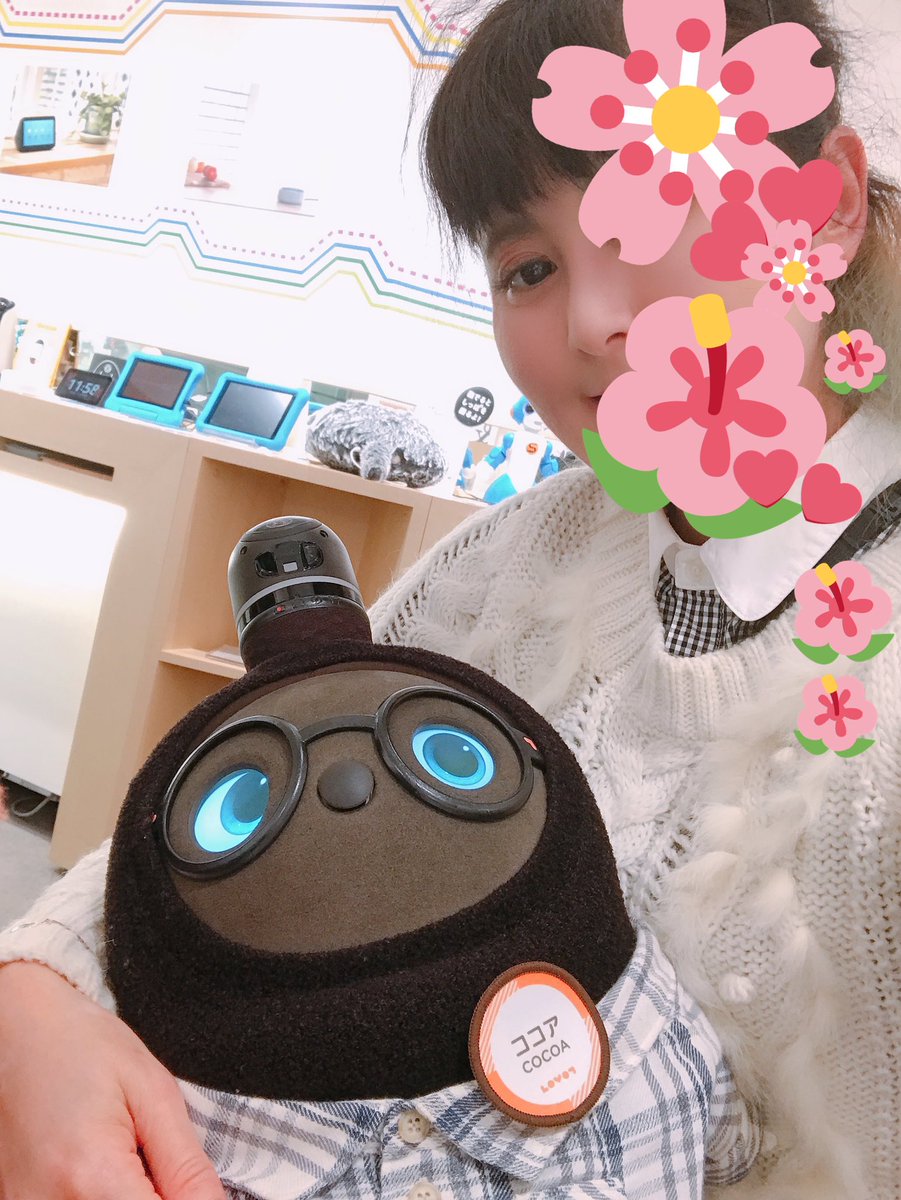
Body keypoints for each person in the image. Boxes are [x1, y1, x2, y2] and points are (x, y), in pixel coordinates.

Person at [0, 0, 899, 1197]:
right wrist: (34, 996)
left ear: (823, 207)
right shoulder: (517, 557)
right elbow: (240, 799)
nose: (592, 323)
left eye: (652, 212)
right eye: (528, 268)